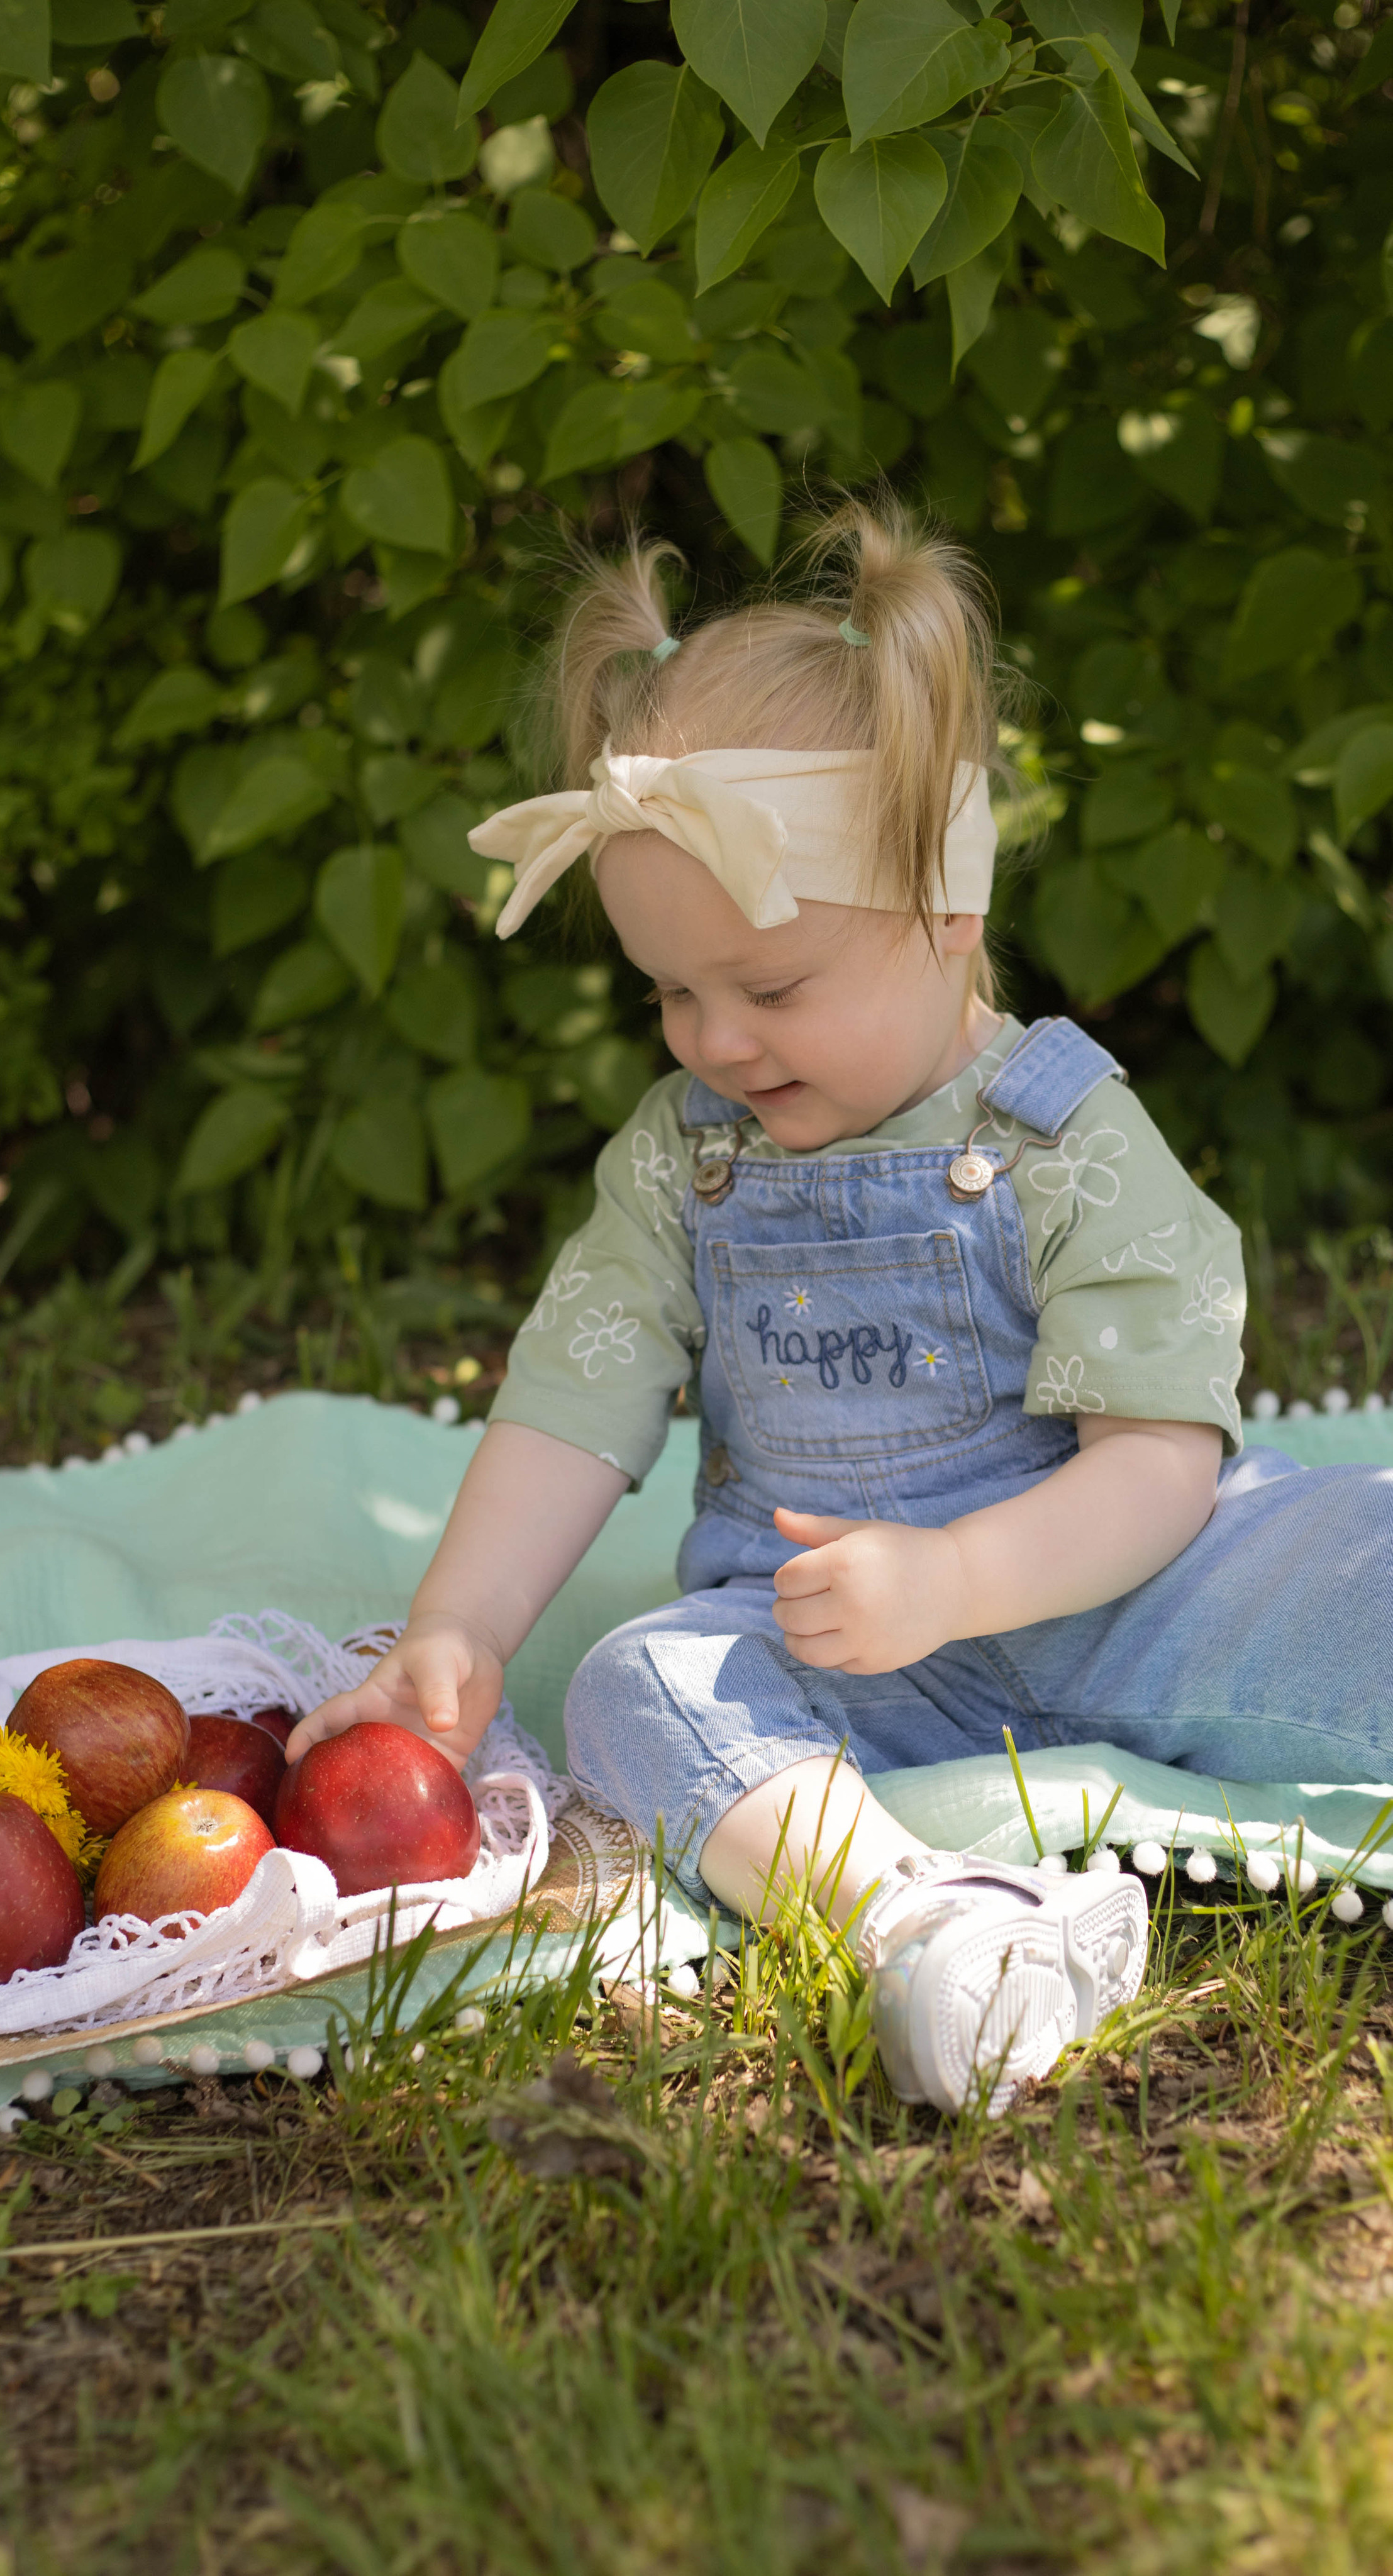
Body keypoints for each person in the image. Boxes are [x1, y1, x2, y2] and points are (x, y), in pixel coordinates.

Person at [288, 500, 1390, 2115]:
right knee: (632, 1689)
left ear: (950, 916)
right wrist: (460, 1627)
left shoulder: (1059, 1135)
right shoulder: (686, 1162)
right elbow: (572, 1398)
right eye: (672, 991)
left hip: (1118, 1573)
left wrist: (959, 1573)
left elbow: (1159, 1458)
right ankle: (929, 1923)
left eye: (773, 988)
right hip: (826, 1639)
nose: (714, 1042)